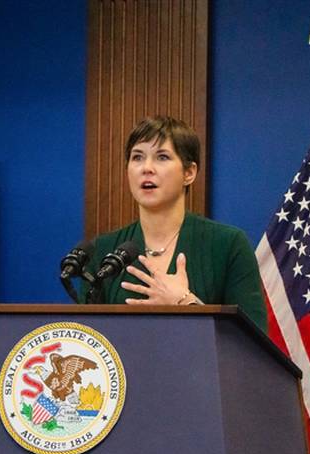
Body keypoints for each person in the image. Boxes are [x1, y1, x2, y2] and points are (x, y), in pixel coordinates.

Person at [81, 116, 267, 331]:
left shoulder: (228, 244)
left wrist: (186, 302)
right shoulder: (103, 251)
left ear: (189, 173)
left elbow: (254, 343)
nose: (146, 168)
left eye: (162, 157)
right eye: (137, 157)